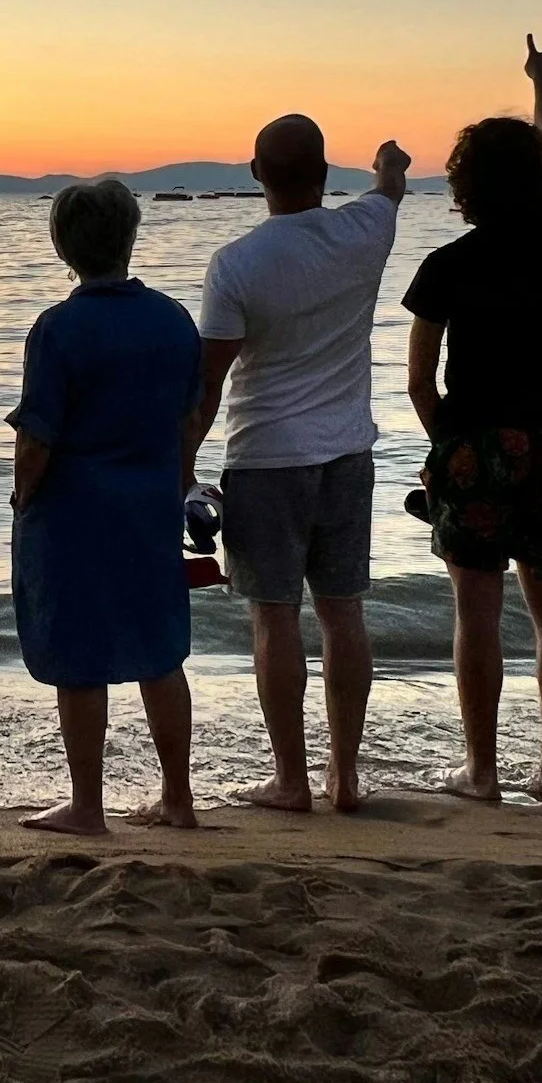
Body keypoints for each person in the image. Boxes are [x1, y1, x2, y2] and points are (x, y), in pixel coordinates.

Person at [187, 116, 411, 814]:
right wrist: (387, 163)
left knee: (274, 618)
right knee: (344, 615)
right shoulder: (366, 229)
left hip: (266, 458)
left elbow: (208, 382)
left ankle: (290, 779)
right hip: (348, 452)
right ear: (324, 172)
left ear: (256, 173)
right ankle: (343, 777)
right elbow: (392, 185)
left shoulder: (237, 263)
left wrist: (179, 466)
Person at [404, 37, 542, 804]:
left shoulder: (446, 264)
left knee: (475, 611)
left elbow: (418, 380)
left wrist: (447, 440)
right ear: (540, 176)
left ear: (464, 185)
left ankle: (481, 770)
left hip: (472, 441)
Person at [9, 178, 203, 835]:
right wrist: (178, 485)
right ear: (130, 239)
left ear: (63, 246)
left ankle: (87, 804)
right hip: (150, 506)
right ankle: (178, 795)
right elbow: (187, 417)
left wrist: (21, 496)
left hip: (74, 514)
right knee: (159, 651)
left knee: (80, 656)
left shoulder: (59, 328)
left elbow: (38, 436)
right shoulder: (173, 320)